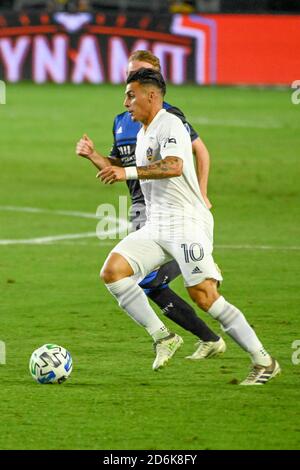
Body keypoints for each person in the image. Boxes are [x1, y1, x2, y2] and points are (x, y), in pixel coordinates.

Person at [97, 68, 280, 384]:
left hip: (186, 223)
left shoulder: (171, 125)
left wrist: (126, 173)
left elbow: (173, 166)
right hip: (157, 225)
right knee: (113, 272)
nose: (126, 102)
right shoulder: (142, 134)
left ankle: (263, 361)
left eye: (131, 94)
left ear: (151, 96)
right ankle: (163, 336)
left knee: (205, 296)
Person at [76, 50, 226, 361]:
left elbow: (200, 152)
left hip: (172, 208)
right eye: (131, 72)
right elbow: (119, 163)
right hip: (141, 208)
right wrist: (93, 156)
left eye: (142, 72)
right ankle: (206, 337)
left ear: (154, 82)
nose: (134, 78)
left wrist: (202, 191)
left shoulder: (170, 115)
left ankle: (182, 333)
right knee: (144, 282)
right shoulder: (122, 120)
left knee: (148, 280)